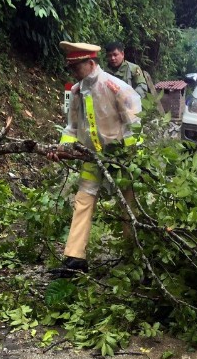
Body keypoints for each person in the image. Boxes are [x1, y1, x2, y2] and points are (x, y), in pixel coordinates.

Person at [47, 41, 142, 277]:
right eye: (71, 67)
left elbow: (134, 126)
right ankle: (75, 258)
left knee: (127, 205)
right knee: (83, 201)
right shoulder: (77, 91)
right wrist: (62, 148)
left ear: (90, 63)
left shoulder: (115, 87)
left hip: (118, 159)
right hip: (92, 157)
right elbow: (72, 127)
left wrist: (132, 158)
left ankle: (136, 256)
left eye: (76, 67)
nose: (73, 72)